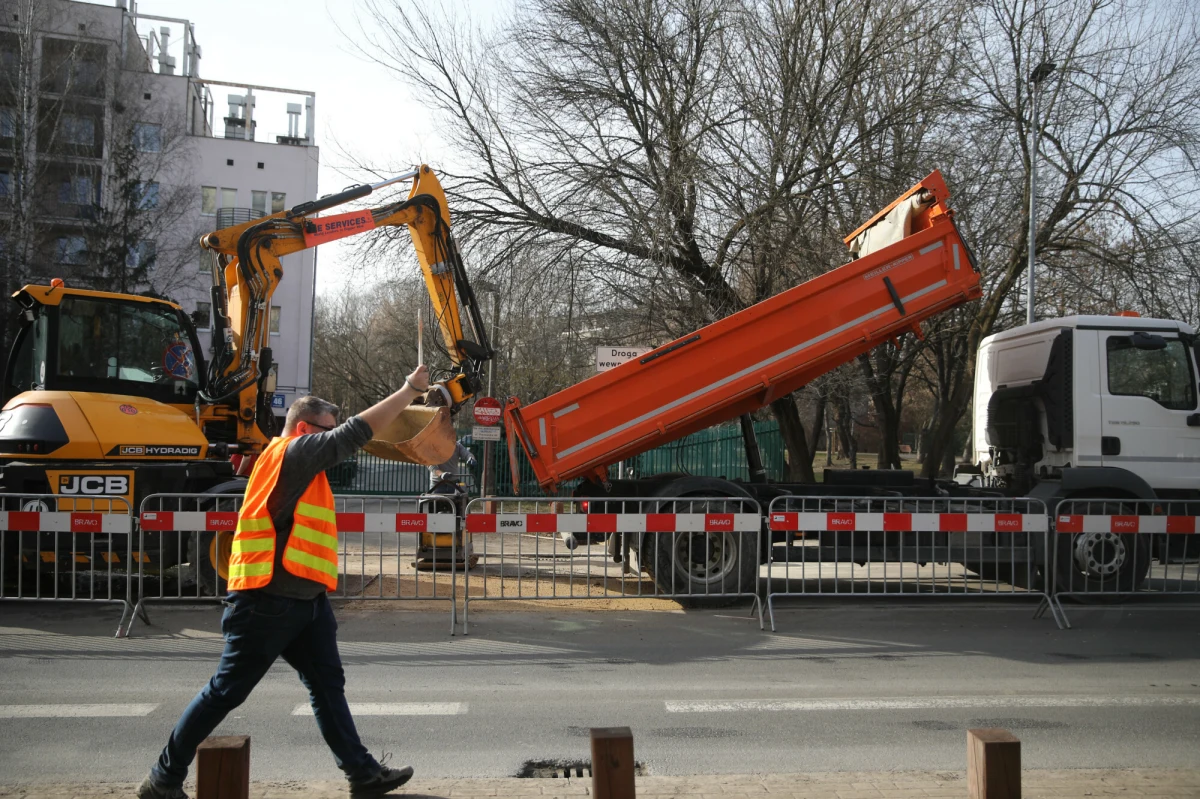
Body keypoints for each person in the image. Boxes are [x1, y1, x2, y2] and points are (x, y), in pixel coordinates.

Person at [138, 366, 432, 799]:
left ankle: (363, 774)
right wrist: (408, 390)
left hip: (304, 601)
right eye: (324, 432)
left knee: (327, 686)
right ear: (303, 428)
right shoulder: (293, 454)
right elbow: (352, 434)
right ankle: (163, 779)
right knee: (225, 692)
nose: (331, 442)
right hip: (266, 602)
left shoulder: (296, 462)